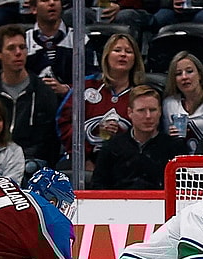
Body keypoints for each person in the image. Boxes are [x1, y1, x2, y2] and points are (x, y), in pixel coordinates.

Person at [0, 24, 61, 178]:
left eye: (22, 47)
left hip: (31, 163)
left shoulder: (43, 93)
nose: (18, 53)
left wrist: (18, 158)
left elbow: (48, 143)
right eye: (11, 48)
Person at [56, 33, 145, 170]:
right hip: (82, 160)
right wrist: (83, 157)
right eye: (117, 50)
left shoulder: (141, 94)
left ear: (135, 59)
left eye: (128, 51)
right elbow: (63, 122)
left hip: (127, 163)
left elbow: (147, 131)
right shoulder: (85, 85)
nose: (123, 55)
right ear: (106, 56)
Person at [91, 85, 187, 189]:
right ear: (130, 112)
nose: (148, 116)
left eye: (153, 110)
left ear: (160, 112)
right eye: (141, 110)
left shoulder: (175, 148)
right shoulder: (111, 147)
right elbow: (98, 187)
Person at [26, 0, 95, 97]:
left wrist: (67, 89)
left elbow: (94, 79)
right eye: (44, 0)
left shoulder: (80, 39)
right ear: (34, 8)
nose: (52, 3)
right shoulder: (23, 41)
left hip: (70, 105)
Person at [162, 51, 203, 154]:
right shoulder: (169, 103)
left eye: (189, 71)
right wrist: (171, 138)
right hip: (182, 163)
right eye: (178, 73)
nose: (184, 77)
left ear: (199, 75)